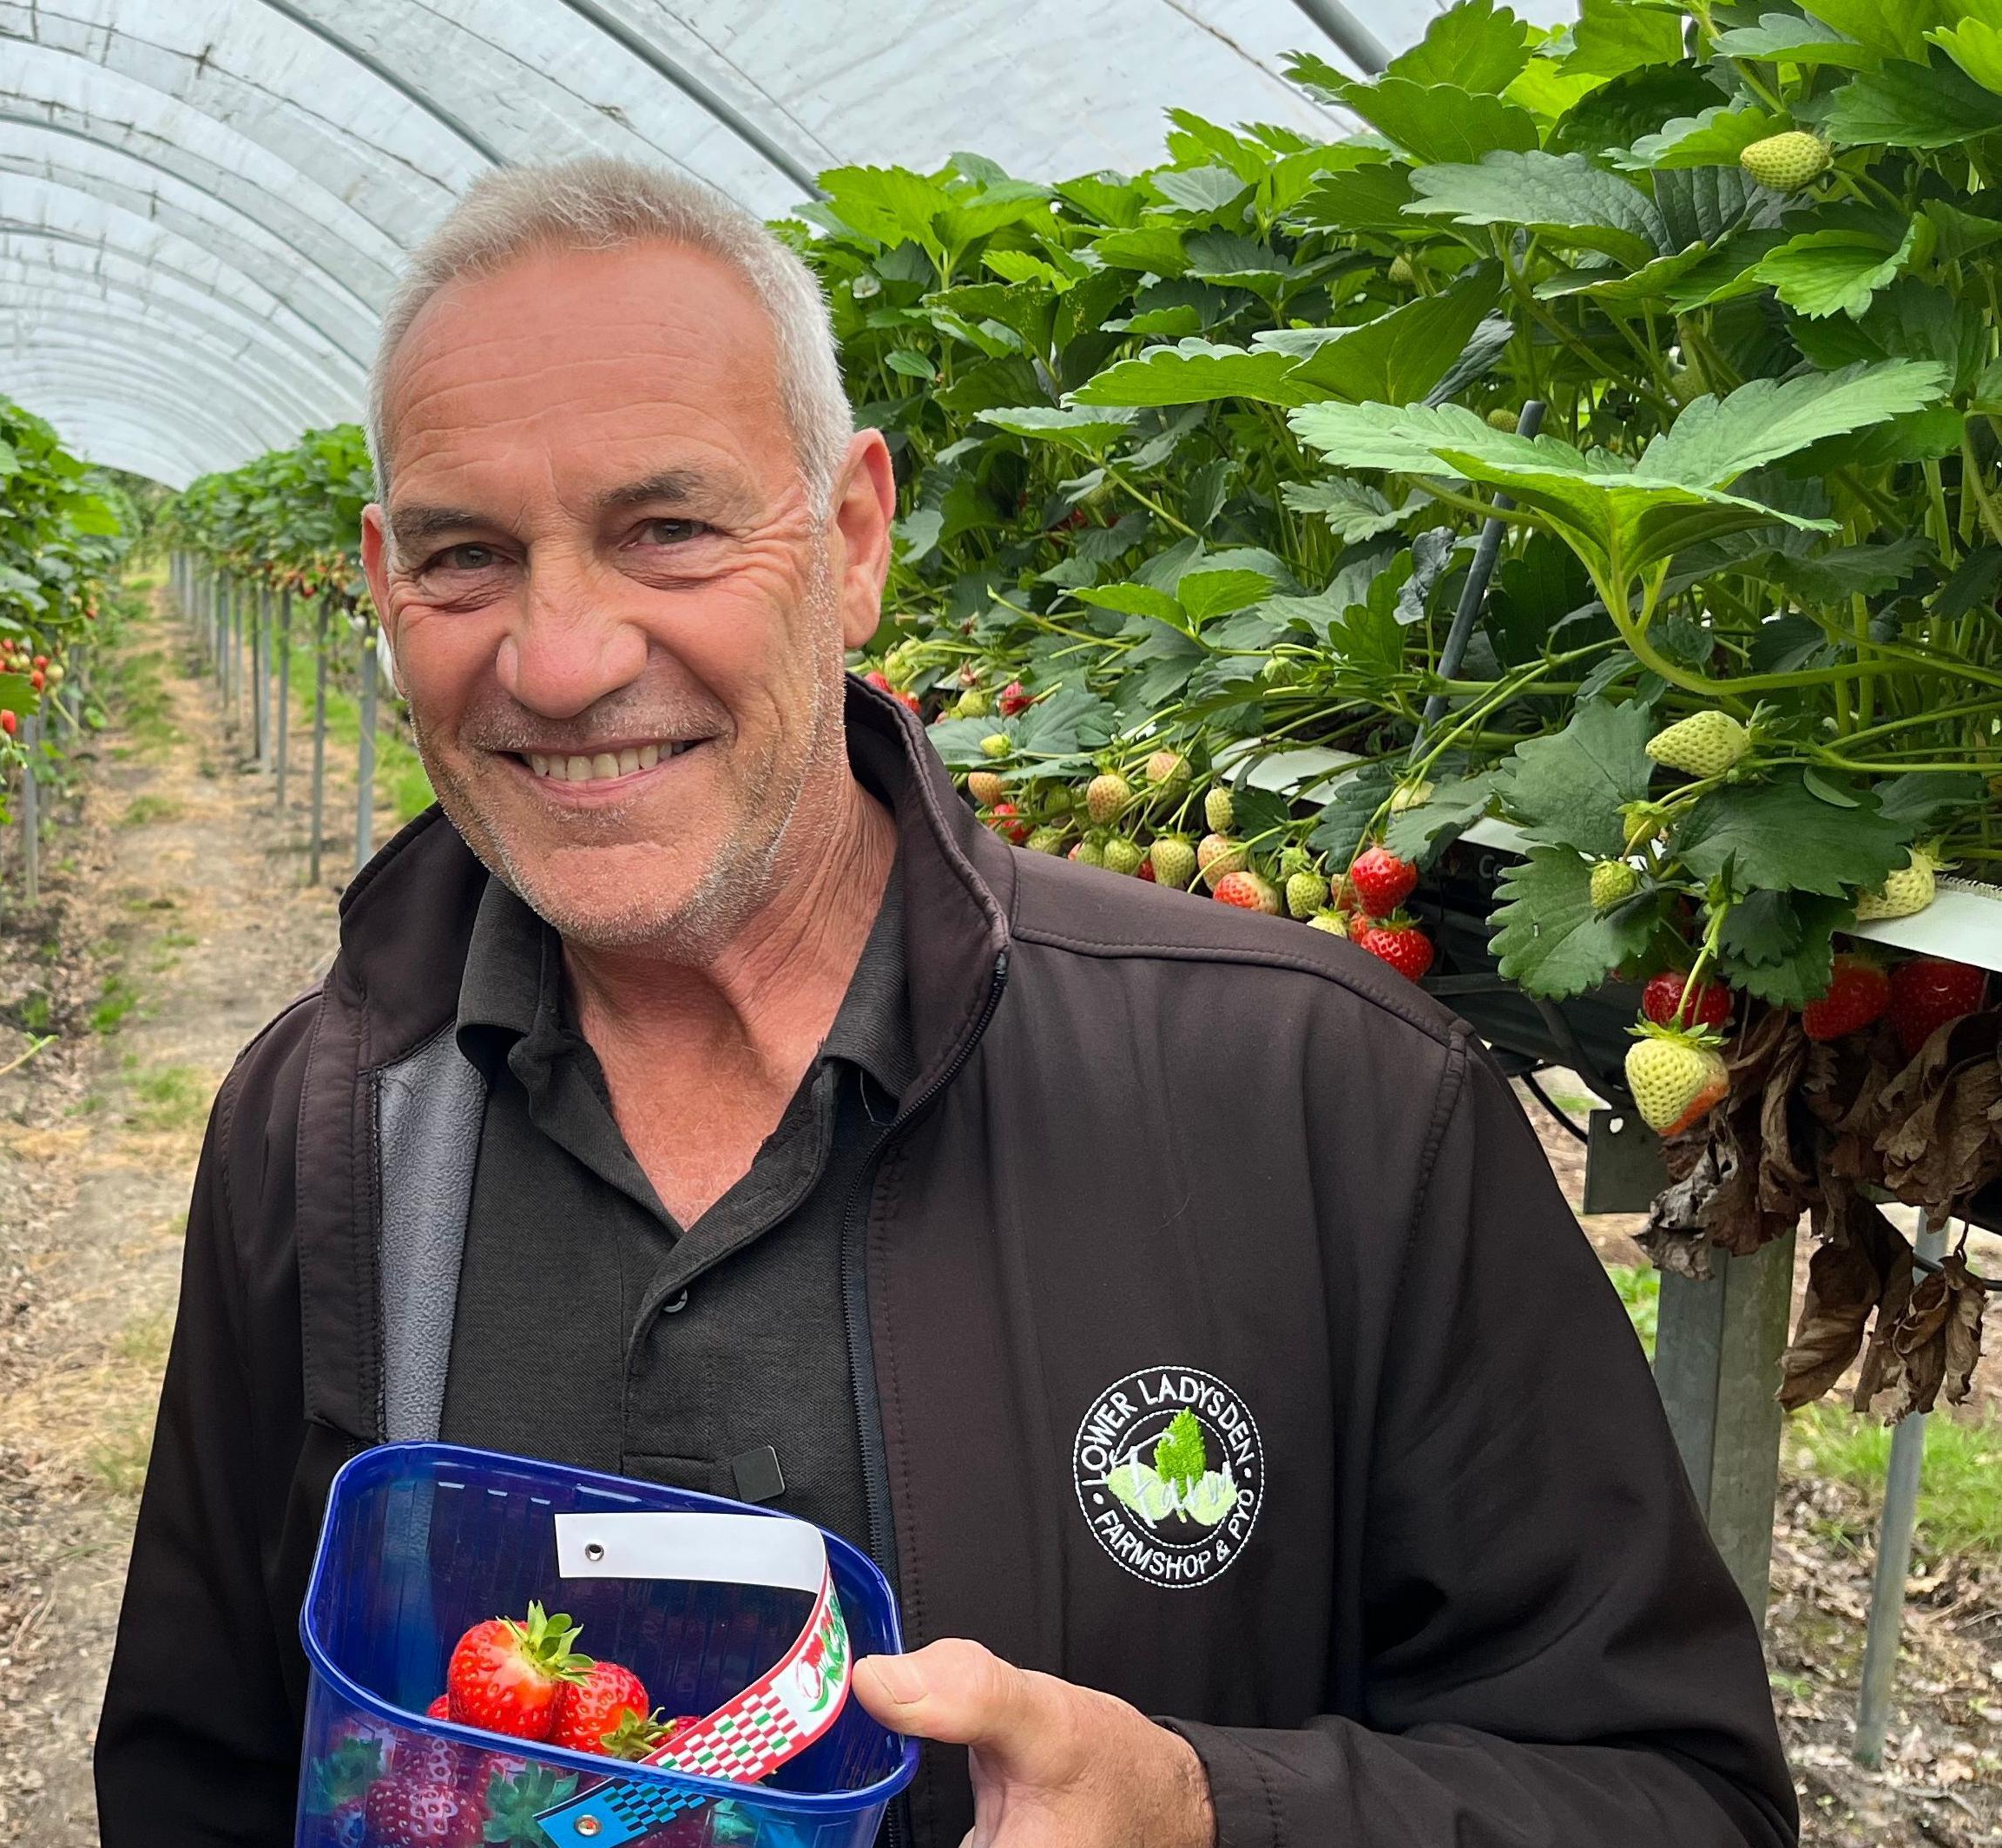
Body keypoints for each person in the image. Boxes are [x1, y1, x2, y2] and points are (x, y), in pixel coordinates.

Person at [94, 157, 1794, 1847]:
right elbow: (204, 1778)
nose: (560, 658)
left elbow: (1672, 1796)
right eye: (469, 558)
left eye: (666, 529)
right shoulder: (325, 1119)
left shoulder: (1323, 1099)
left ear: (851, 540)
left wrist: (1211, 1812)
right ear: (385, 587)